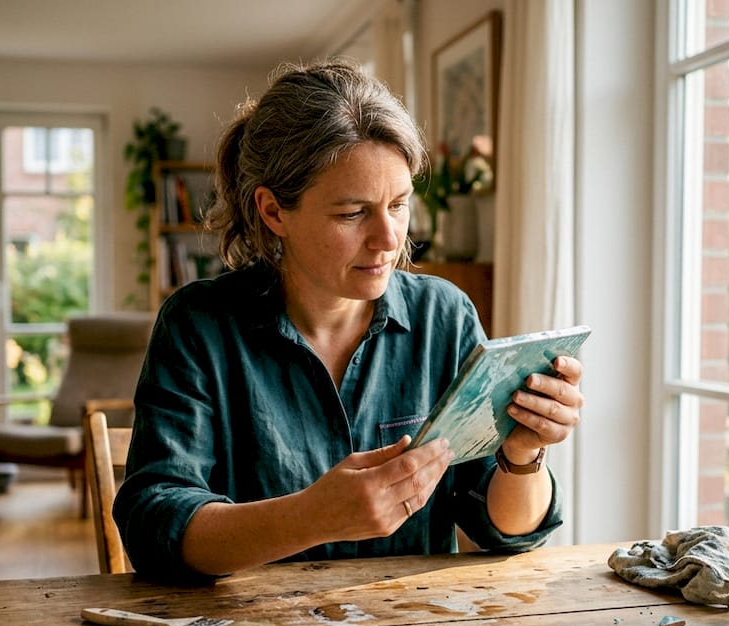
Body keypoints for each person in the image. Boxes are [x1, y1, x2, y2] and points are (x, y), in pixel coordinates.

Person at [113, 59, 584, 583]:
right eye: (352, 213)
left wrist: (523, 452)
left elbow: (503, 531)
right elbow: (153, 528)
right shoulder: (199, 326)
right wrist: (310, 517)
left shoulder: (444, 317)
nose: (389, 239)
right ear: (273, 212)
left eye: (399, 205)